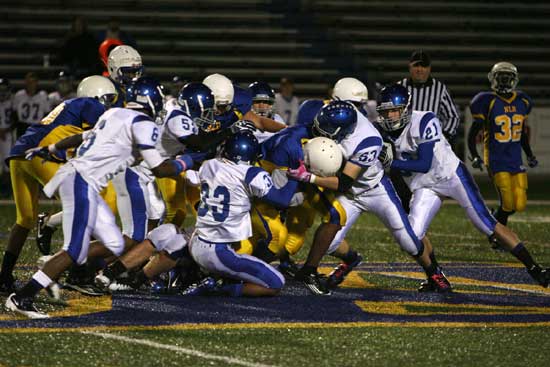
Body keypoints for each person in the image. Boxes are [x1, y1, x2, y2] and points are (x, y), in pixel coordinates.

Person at [5, 78, 194, 318]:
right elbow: (158, 169)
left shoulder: (113, 114)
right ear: (151, 101)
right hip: (82, 183)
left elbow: (83, 136)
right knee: (75, 250)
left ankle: (64, 267)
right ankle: (23, 296)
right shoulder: (142, 123)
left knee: (117, 242)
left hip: (77, 178)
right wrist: (187, 161)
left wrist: (51, 149)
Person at [376, 83, 549, 289]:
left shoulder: (424, 120)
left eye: (395, 110)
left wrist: (390, 162)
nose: (391, 116)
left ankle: (535, 268)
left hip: (451, 176)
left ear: (406, 108)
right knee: (412, 236)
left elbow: (424, 163)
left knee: (486, 224)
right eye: (386, 111)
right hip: (425, 185)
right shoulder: (382, 131)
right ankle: (435, 276)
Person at [287, 101, 450, 292]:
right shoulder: (346, 111)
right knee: (329, 241)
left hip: (375, 190)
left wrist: (309, 177)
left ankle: (434, 273)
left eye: (329, 129)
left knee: (409, 242)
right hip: (349, 194)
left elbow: (344, 181)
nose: (323, 131)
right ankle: (343, 261)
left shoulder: (368, 141)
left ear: (344, 130)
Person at [0, 75, 118, 295]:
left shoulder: (73, 106)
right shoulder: (90, 104)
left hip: (19, 154)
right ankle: (79, 274)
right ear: (96, 94)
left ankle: (4, 275)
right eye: (108, 98)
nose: (110, 104)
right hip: (40, 156)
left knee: (24, 219)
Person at [185, 131, 298, 297]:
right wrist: (297, 177)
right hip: (217, 252)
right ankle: (216, 288)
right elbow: (282, 200)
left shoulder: (209, 165)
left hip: (196, 241)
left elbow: (192, 176)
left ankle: (194, 275)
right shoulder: (251, 173)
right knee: (276, 283)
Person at [468, 62, 537, 230]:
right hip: (496, 159)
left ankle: (493, 218)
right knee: (507, 203)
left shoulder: (522, 100)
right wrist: (475, 155)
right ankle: (497, 236)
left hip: (515, 160)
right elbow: (472, 133)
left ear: (514, 80)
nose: (505, 81)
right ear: (493, 79)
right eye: (501, 77)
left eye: (508, 77)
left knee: (518, 203)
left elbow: (521, 134)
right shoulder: (487, 100)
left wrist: (529, 154)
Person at [13, 72, 50, 138]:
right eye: (29, 82)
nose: (31, 85)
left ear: (36, 83)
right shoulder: (19, 95)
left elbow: (47, 114)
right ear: (25, 82)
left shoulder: (43, 95)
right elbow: (14, 113)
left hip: (37, 126)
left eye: (33, 82)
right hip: (22, 127)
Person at [0, 78, 14, 197]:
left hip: (8, 135)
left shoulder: (13, 102)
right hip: (3, 134)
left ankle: (5, 190)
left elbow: (16, 119)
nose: (2, 92)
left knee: (7, 165)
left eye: (4, 90)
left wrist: (6, 129)